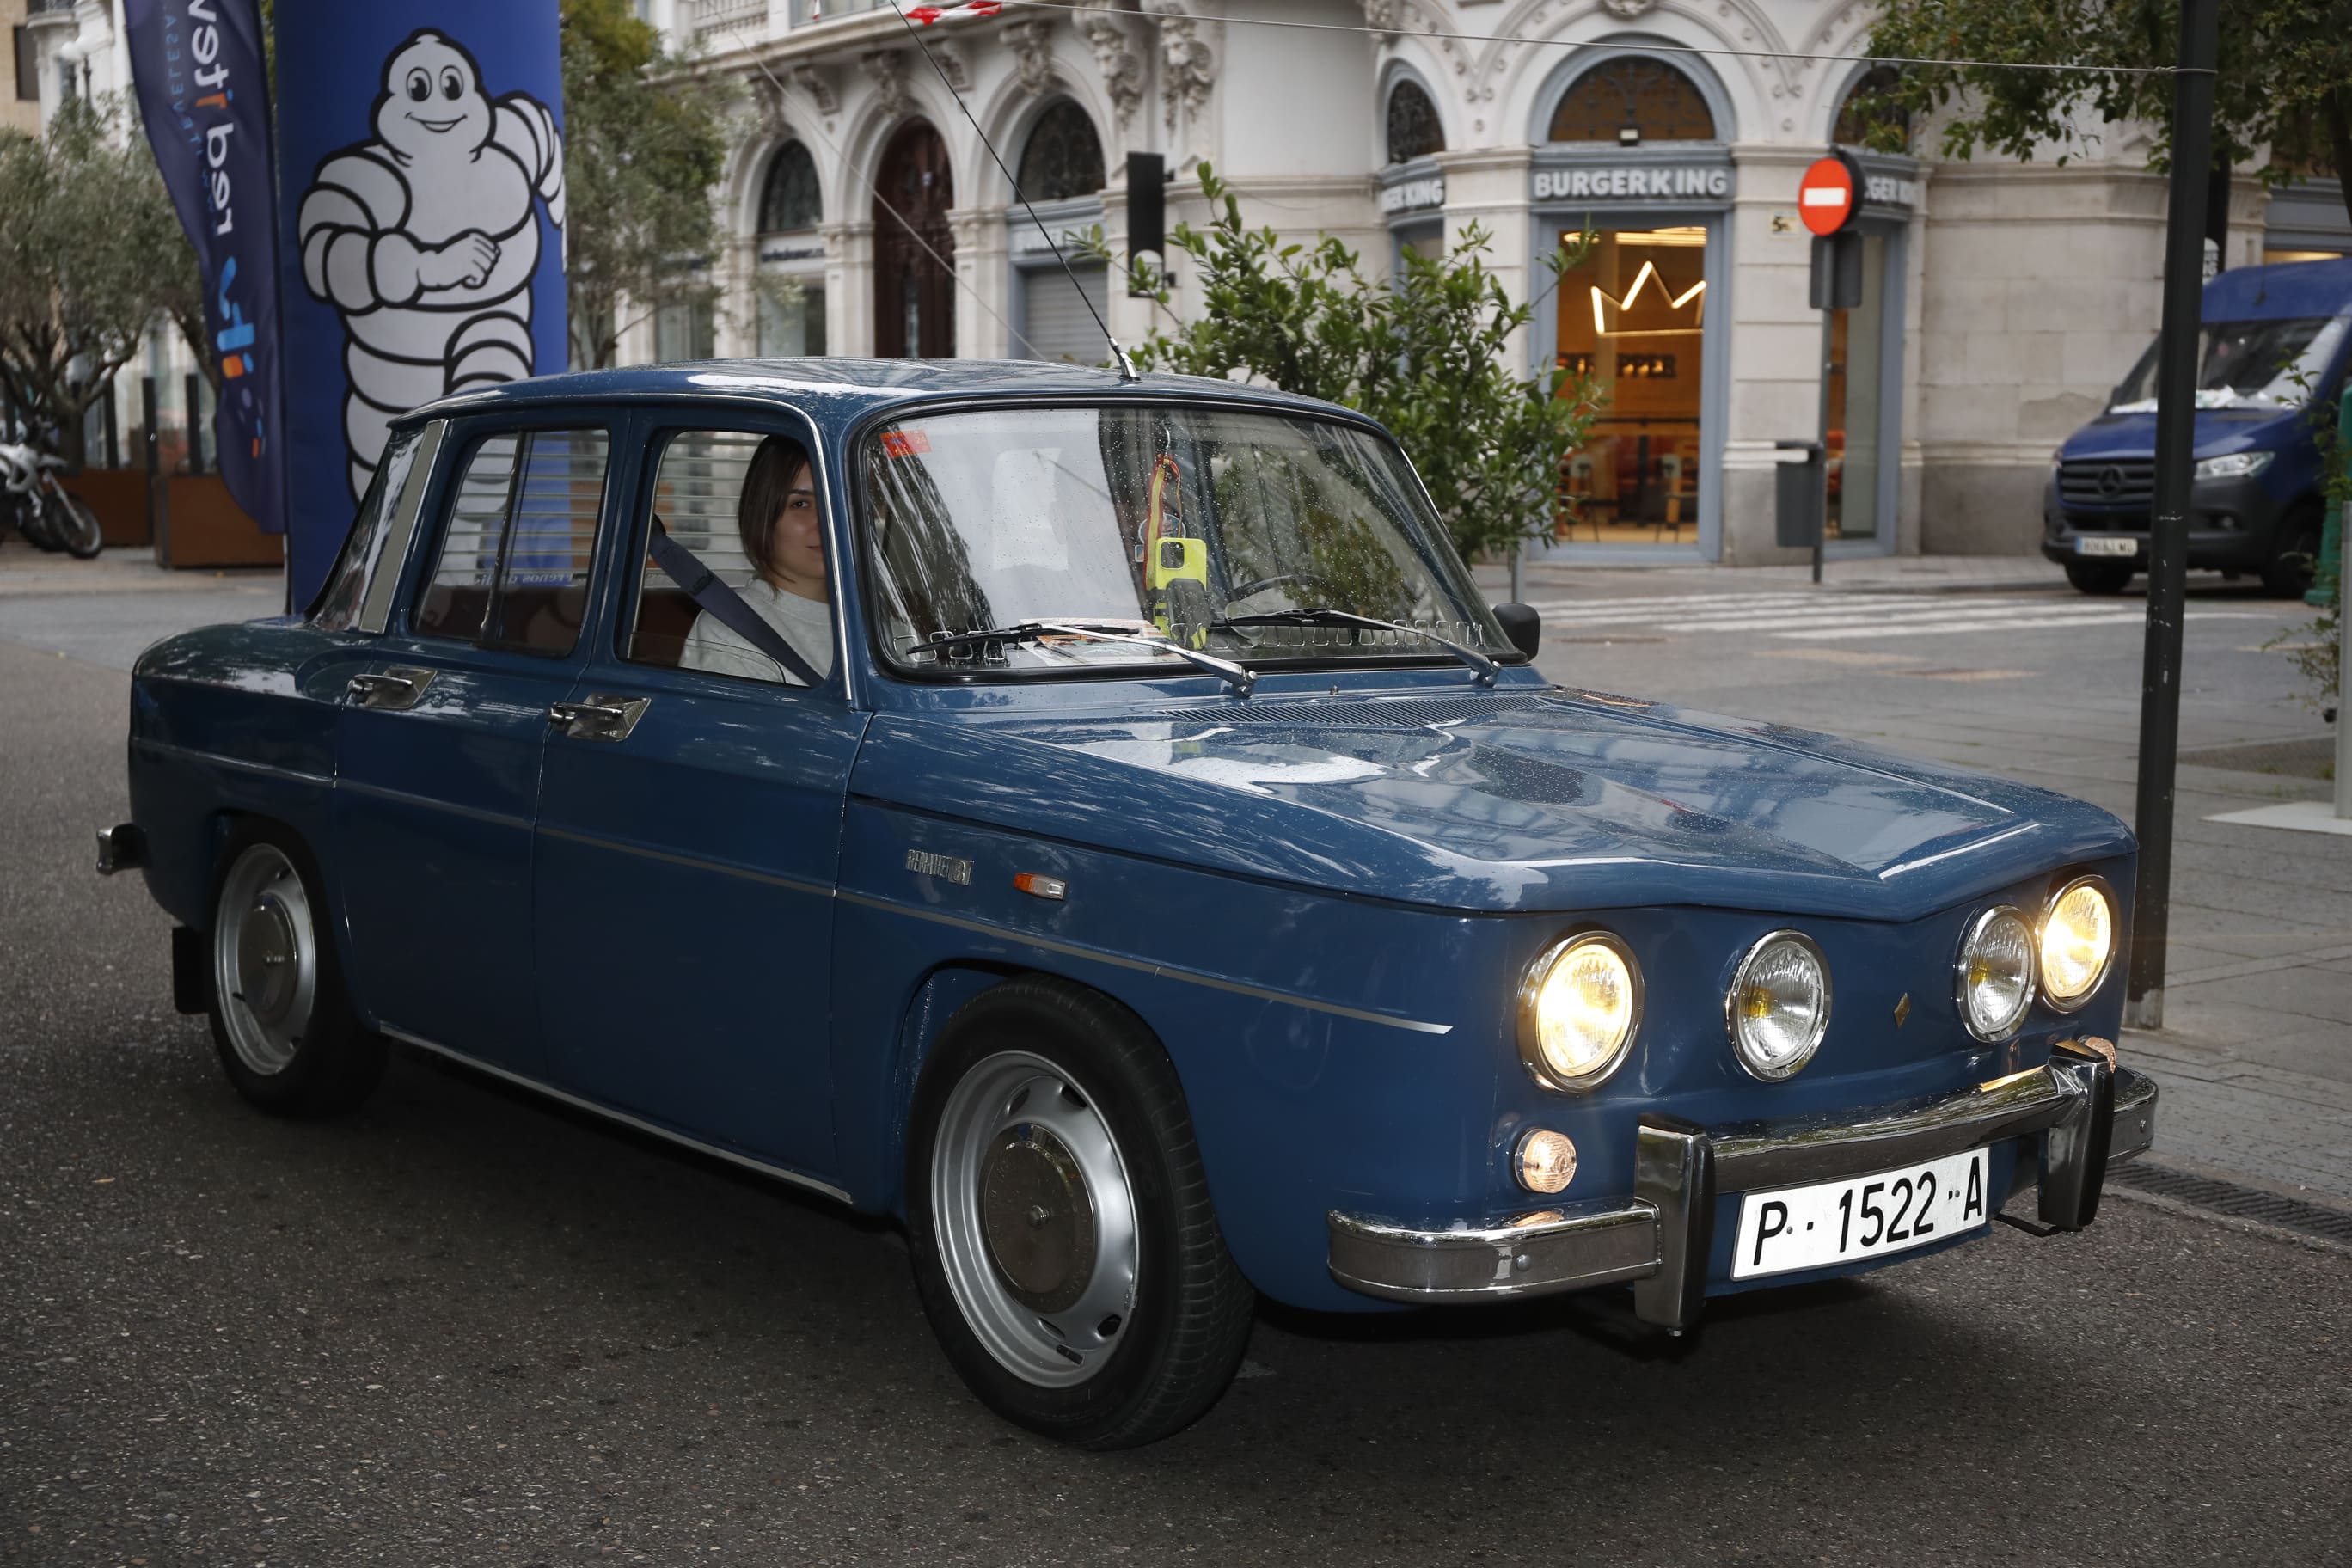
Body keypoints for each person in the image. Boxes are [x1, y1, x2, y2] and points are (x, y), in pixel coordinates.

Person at [679, 435, 836, 686]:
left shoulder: (881, 619)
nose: (825, 520)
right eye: (800, 504)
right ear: (763, 517)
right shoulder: (729, 630)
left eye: (833, 501)